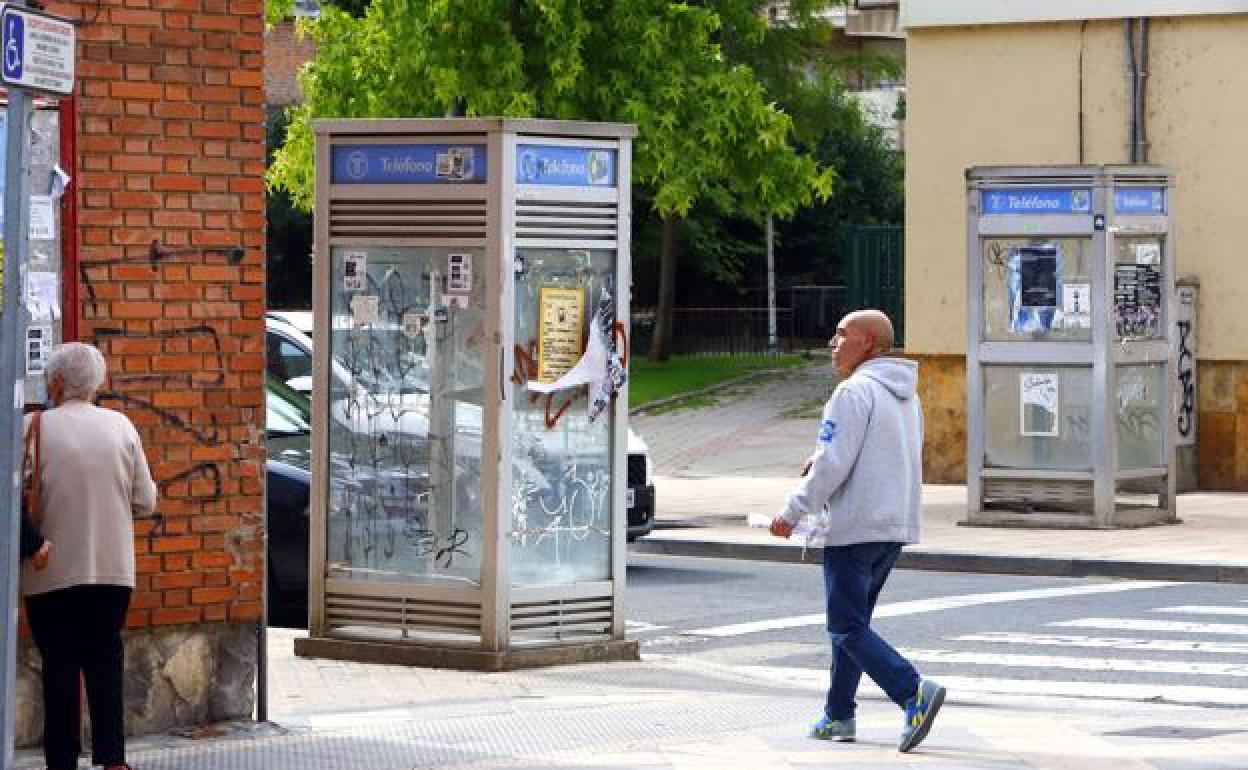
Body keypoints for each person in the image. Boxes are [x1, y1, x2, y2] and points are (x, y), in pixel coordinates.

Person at [769, 309, 945, 753]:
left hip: (854, 526)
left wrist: (792, 511)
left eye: (842, 334)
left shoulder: (853, 392)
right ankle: (839, 714)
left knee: (846, 626)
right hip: (892, 525)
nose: (833, 341)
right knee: (852, 624)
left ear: (868, 343)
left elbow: (833, 463)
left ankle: (912, 691)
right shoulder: (906, 394)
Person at [20, 342, 157, 770]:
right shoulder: (121, 426)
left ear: (57, 382)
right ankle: (113, 759)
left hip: (51, 571)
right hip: (113, 571)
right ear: (97, 383)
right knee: (105, 661)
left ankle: (62, 761)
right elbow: (146, 499)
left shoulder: (33, 427)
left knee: (59, 666)